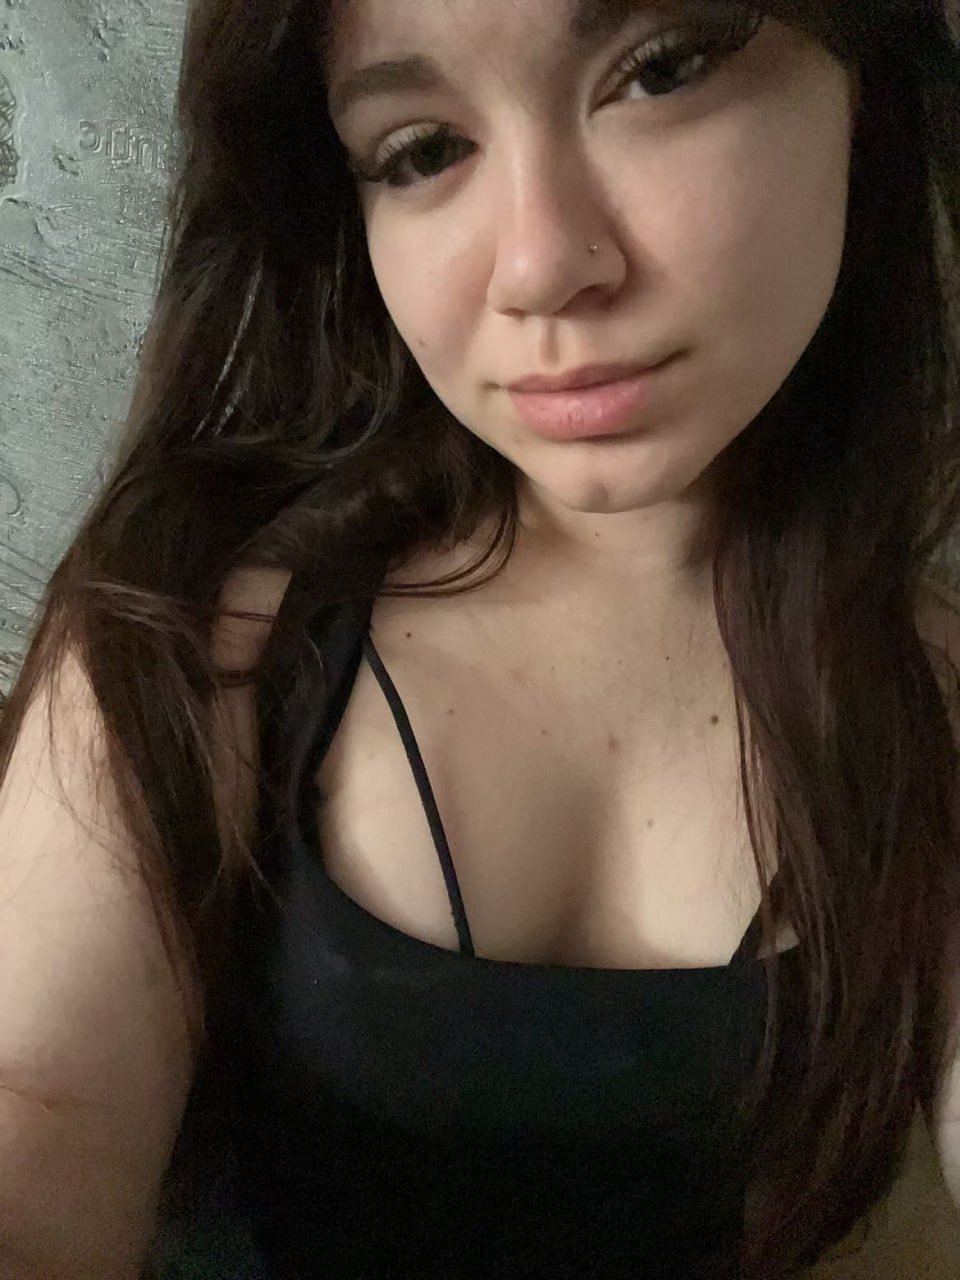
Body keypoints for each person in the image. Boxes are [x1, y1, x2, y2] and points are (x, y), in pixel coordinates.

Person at [1, 0, 959, 1275]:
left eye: (658, 73)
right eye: (422, 151)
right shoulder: (202, 624)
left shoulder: (935, 690)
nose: (540, 266)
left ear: (869, 81)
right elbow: (38, 1101)